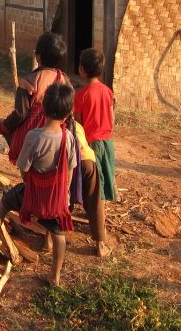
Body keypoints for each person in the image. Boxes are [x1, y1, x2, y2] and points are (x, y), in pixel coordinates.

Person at [0, 83, 77, 287]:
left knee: (4, 203)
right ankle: (55, 276)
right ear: (69, 112)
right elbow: (70, 169)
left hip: (33, 194)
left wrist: (31, 186)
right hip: (58, 200)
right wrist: (64, 194)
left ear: (42, 108)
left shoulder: (34, 136)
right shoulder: (68, 137)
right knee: (60, 234)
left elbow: (24, 167)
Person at [0, 31, 70, 172]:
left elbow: (20, 114)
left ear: (38, 56)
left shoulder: (29, 81)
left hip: (29, 140)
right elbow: (70, 114)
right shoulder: (65, 81)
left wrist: (3, 127)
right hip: (55, 142)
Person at [73, 48, 114, 257]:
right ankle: (101, 219)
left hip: (90, 145)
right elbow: (112, 118)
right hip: (107, 144)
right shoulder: (107, 91)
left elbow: (78, 125)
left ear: (82, 70)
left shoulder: (80, 95)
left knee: (93, 188)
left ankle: (100, 240)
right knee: (103, 184)